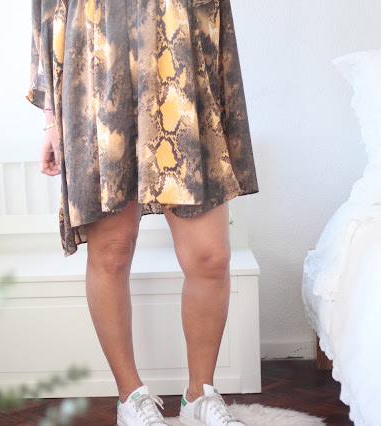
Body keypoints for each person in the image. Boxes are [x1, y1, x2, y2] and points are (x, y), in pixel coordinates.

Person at [27, 0, 259, 425]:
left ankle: (199, 397)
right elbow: (47, 9)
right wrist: (49, 118)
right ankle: (130, 398)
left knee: (210, 258)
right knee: (113, 250)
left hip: (180, 71)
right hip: (96, 72)